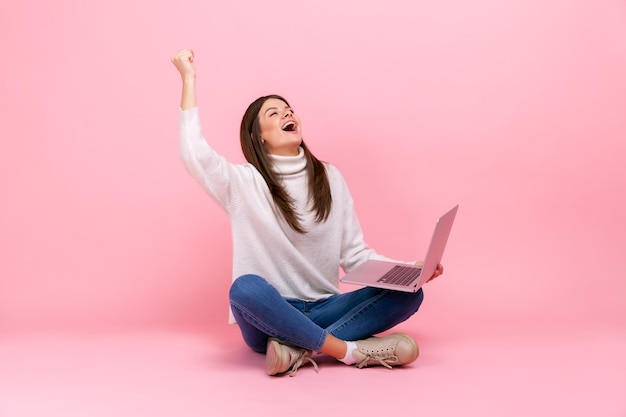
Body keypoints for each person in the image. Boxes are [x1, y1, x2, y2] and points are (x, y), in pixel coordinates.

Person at [171, 49, 444, 377]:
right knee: (244, 289)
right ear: (259, 135)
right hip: (269, 315)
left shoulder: (330, 177)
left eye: (289, 109)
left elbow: (356, 256)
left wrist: (407, 272)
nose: (288, 114)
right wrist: (188, 78)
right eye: (274, 113)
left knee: (409, 296)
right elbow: (194, 154)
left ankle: (295, 349)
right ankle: (349, 351)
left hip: (327, 308)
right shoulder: (242, 183)